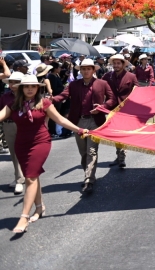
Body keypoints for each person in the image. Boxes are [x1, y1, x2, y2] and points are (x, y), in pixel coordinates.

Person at [0, 74, 89, 233]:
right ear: (21, 88)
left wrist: (79, 130)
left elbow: (60, 120)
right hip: (21, 145)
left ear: (37, 88)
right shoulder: (13, 104)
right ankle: (40, 207)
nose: (29, 89)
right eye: (26, 86)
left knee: (30, 177)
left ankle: (23, 217)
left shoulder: (45, 103)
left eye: (33, 86)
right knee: (32, 176)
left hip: (40, 143)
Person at [53, 59, 116, 194]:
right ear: (80, 70)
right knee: (83, 153)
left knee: (91, 151)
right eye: (83, 69)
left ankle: (89, 180)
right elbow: (62, 96)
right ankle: (88, 173)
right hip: (78, 122)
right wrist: (49, 100)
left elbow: (112, 99)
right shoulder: (73, 85)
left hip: (95, 121)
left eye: (89, 68)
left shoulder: (102, 83)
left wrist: (102, 107)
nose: (86, 71)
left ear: (94, 70)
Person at [102, 54, 139, 168]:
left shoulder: (131, 76)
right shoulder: (107, 76)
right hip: (112, 108)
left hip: (126, 109)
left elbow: (138, 91)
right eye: (114, 63)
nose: (116, 65)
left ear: (123, 64)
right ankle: (119, 156)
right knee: (115, 133)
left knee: (122, 132)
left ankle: (121, 157)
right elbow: (101, 90)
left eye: (118, 63)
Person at [1, 72, 26, 194]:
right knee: (14, 153)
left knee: (23, 152)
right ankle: (19, 177)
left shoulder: (27, 95)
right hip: (8, 125)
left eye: (15, 82)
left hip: (23, 125)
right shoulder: (5, 97)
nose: (12, 84)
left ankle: (20, 178)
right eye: (11, 82)